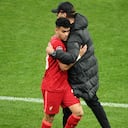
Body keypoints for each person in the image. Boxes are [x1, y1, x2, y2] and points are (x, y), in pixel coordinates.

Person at [47, 1, 111, 128]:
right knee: (93, 103)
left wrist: (53, 53)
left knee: (69, 109)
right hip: (88, 72)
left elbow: (70, 58)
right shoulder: (79, 23)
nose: (56, 16)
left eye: (58, 13)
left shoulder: (73, 36)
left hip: (79, 76)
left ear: (64, 14)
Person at [41, 17, 87, 128]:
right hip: (52, 87)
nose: (66, 34)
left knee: (78, 112)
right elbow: (63, 67)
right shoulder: (57, 44)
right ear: (56, 30)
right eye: (63, 31)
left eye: (68, 31)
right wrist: (79, 55)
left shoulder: (61, 40)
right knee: (49, 118)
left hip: (64, 85)